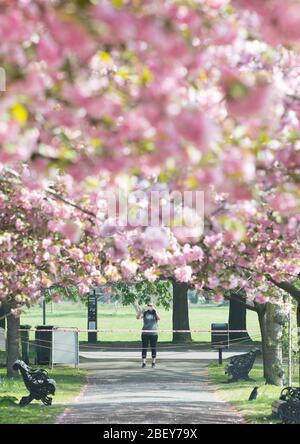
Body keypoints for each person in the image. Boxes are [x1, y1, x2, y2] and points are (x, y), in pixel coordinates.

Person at [136, 303, 160, 368]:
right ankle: (144, 363)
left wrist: (155, 310)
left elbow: (159, 318)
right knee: (144, 348)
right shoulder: (145, 313)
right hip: (145, 333)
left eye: (151, 306)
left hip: (153, 333)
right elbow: (138, 318)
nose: (150, 307)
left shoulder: (155, 313)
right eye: (149, 305)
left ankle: (153, 363)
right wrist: (140, 311)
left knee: (153, 348)